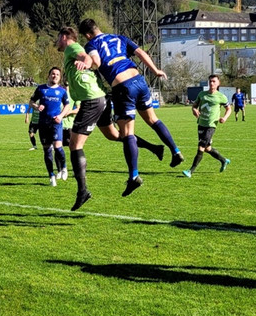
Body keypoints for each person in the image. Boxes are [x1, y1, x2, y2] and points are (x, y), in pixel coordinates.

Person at [55, 26, 170, 211]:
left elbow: (84, 56)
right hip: (101, 98)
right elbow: (91, 60)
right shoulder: (75, 49)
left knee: (75, 145)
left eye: (57, 38)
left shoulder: (71, 47)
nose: (56, 42)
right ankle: (154, 147)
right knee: (114, 135)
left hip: (91, 100)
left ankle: (82, 191)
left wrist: (85, 61)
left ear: (64, 36)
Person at [77, 18, 185, 197]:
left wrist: (86, 64)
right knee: (153, 119)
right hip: (139, 80)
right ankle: (175, 151)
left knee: (127, 134)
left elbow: (95, 61)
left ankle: (134, 176)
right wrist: (155, 70)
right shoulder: (119, 37)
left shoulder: (91, 44)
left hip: (123, 87)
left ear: (88, 35)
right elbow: (141, 53)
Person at [183, 74, 232, 177]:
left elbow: (229, 109)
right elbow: (194, 106)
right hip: (201, 123)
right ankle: (223, 160)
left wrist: (225, 118)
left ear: (218, 83)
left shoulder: (221, 97)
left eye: (214, 81)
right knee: (207, 148)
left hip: (211, 125)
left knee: (201, 147)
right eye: (210, 81)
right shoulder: (202, 94)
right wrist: (194, 110)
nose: (211, 83)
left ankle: (190, 171)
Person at [30, 67, 69, 186]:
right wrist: (36, 107)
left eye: (57, 74)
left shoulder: (62, 91)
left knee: (58, 148)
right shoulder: (41, 89)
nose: (55, 76)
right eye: (53, 74)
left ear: (60, 77)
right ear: (49, 75)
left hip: (56, 123)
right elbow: (31, 102)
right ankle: (51, 175)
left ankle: (64, 167)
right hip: (43, 124)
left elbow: (67, 106)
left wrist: (61, 116)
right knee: (47, 150)